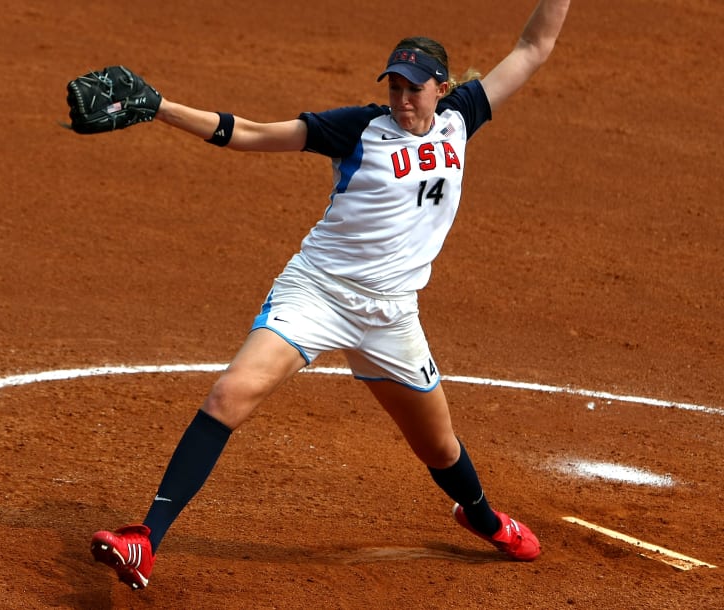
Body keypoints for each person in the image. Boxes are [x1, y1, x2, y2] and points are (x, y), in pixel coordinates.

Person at [87, 0, 572, 590]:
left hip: (392, 315)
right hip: (319, 292)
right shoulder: (359, 128)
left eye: (415, 88)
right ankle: (145, 540)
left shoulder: (461, 116)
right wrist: (160, 108)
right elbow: (254, 133)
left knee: (440, 447)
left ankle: (483, 518)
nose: (402, 98)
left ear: (442, 88)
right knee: (229, 393)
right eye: (395, 85)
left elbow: (532, 48)